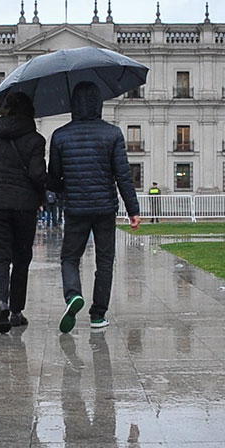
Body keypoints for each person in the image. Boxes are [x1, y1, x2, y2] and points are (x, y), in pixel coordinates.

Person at [48, 81, 141, 333]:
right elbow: (123, 175)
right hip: (105, 209)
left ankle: (73, 295)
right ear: (99, 105)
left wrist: (67, 187)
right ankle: (98, 315)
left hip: (76, 208)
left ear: (73, 105)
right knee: (105, 261)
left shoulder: (60, 135)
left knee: (69, 258)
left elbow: (54, 177)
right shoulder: (112, 134)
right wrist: (133, 210)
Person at [0, 92, 46, 333]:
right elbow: (38, 175)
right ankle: (16, 311)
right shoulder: (36, 140)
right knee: (21, 257)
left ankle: (1, 302)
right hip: (23, 205)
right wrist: (51, 185)